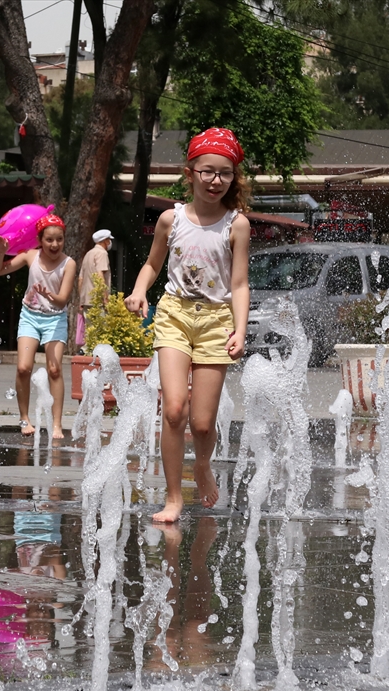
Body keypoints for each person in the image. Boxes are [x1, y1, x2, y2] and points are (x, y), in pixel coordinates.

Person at [124, 127, 250, 523]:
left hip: (216, 321)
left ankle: (202, 465)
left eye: (225, 173)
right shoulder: (170, 219)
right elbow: (152, 264)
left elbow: (240, 283)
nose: (216, 180)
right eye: (208, 171)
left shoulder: (236, 224)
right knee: (174, 410)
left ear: (233, 177)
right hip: (175, 314)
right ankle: (174, 498)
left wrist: (240, 330)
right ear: (190, 171)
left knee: (201, 423)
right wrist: (140, 289)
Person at [0, 213, 77, 439]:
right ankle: (24, 418)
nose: (54, 244)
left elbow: (63, 299)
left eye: (59, 239)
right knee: (23, 368)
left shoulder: (69, 264)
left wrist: (50, 295)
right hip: (30, 317)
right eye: (49, 239)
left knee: (54, 370)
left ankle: (57, 424)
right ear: (40, 240)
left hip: (55, 318)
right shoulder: (30, 256)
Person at [76, 228, 113, 345]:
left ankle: (86, 355)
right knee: (100, 334)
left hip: (86, 300)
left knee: (90, 333)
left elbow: (80, 278)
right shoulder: (102, 253)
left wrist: (81, 300)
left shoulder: (88, 254)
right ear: (105, 241)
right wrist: (106, 299)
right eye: (109, 240)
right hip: (98, 300)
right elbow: (100, 275)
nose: (110, 243)